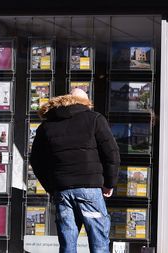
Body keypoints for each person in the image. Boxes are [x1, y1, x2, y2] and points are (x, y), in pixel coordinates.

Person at [30, 88, 120, 253]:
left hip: (62, 191)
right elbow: (111, 153)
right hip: (90, 190)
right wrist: (109, 183)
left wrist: (51, 187)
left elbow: (36, 161)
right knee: (99, 242)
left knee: (67, 243)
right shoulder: (94, 119)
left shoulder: (47, 126)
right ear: (85, 102)